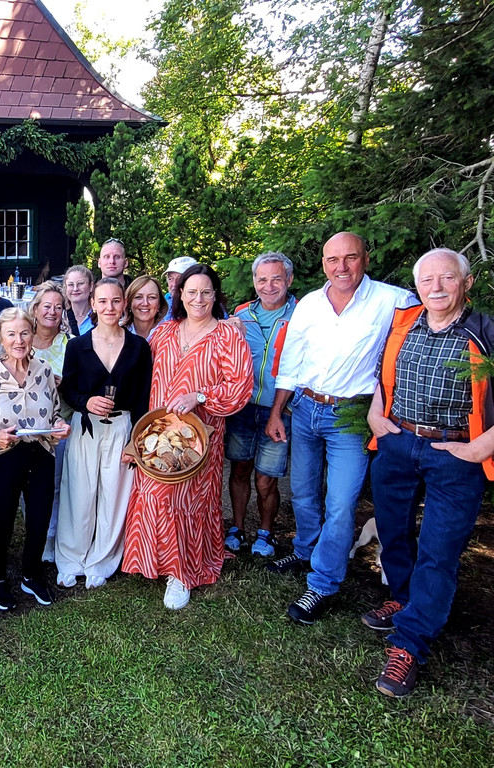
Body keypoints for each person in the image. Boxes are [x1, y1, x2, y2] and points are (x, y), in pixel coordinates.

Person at [266, 231, 417, 625]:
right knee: (301, 491)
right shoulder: (311, 305)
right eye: (333, 260)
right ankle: (304, 550)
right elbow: (291, 363)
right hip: (304, 408)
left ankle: (323, 582)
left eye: (350, 258)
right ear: (323, 263)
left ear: (365, 258)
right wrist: (276, 411)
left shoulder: (393, 301)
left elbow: (420, 345)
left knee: (341, 502)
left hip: (351, 416)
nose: (342, 267)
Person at [363, 248, 494, 697]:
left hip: (456, 453)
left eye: (447, 279)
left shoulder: (485, 333)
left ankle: (410, 644)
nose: (436, 288)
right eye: (427, 280)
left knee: (439, 551)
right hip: (398, 442)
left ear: (467, 283)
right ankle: (403, 594)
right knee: (393, 532)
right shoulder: (406, 323)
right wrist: (376, 415)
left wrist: (481, 446)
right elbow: (383, 374)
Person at [121, 265, 254, 609]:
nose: (198, 298)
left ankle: (183, 573)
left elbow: (239, 387)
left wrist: (201, 396)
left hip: (199, 436)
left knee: (186, 501)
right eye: (191, 291)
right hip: (157, 433)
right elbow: (138, 377)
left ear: (215, 296)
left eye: (206, 292)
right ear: (179, 295)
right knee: (153, 493)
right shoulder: (164, 333)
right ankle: (152, 561)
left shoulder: (228, 335)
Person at [0, 309, 71, 611]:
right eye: (11, 334)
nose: (19, 340)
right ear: (0, 338)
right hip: (4, 455)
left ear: (32, 335)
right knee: (2, 522)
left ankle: (31, 574)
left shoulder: (45, 371)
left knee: (38, 519)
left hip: (41, 453)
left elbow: (53, 413)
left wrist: (60, 427)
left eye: (24, 333)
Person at [57, 278, 152, 589]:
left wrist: (136, 441)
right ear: (94, 305)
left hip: (122, 427)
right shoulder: (77, 345)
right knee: (79, 494)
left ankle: (103, 559)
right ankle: (71, 558)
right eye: (103, 301)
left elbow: (142, 397)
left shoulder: (139, 347)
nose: (109, 307)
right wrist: (86, 401)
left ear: (123, 304)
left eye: (115, 301)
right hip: (87, 428)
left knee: (114, 494)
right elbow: (68, 389)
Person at [224, 252, 297, 558]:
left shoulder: (303, 315)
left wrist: (279, 411)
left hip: (279, 409)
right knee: (239, 469)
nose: (268, 286)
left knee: (266, 478)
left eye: (276, 279)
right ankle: (237, 529)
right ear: (254, 281)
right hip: (243, 407)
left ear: (289, 280)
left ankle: (265, 533)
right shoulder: (240, 314)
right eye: (262, 279)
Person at [27, 282, 71, 562]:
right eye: (47, 306)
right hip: (24, 426)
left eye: (58, 306)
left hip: (57, 425)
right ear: (35, 309)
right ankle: (32, 527)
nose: (52, 312)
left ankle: (50, 539)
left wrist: (62, 384)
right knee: (26, 484)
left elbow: (80, 387)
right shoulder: (20, 338)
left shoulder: (71, 344)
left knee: (53, 486)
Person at [123, 275, 167, 342]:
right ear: (129, 303)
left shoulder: (171, 332)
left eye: (152, 297)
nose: (145, 303)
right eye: (138, 297)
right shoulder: (118, 332)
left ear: (159, 303)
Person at [162, 256, 198, 322]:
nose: (174, 284)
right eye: (170, 279)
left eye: (179, 279)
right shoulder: (161, 305)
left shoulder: (205, 306)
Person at [63, 265, 94, 337]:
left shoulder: (100, 318)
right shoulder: (60, 317)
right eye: (70, 285)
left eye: (80, 283)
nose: (75, 289)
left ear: (91, 286)